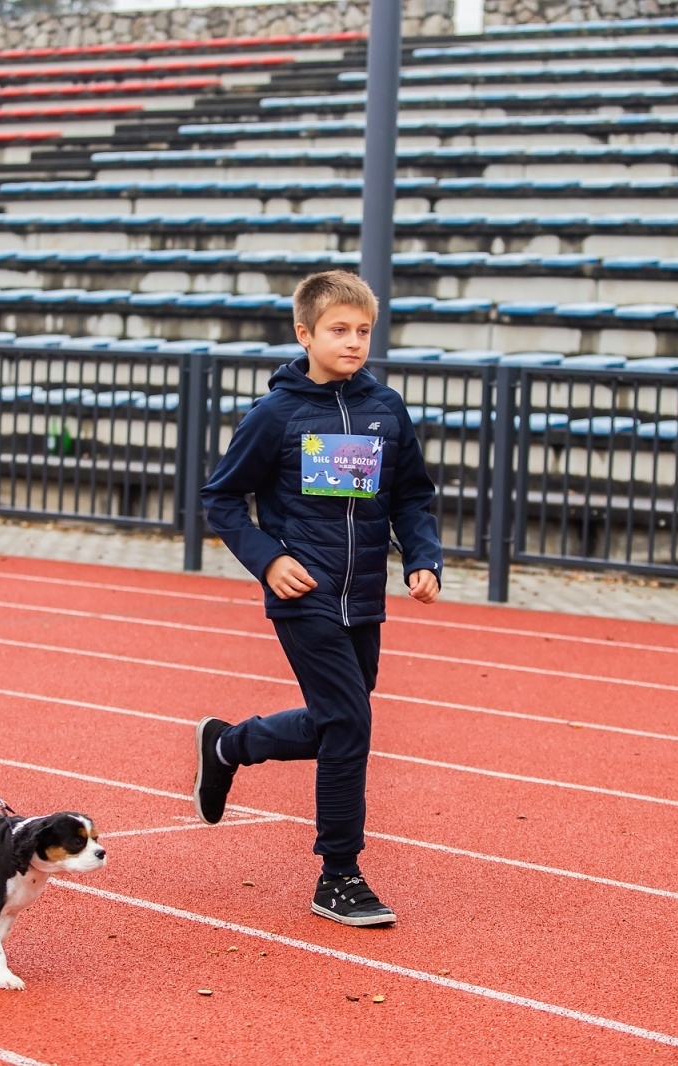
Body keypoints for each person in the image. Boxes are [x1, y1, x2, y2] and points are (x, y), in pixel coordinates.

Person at [193, 270, 442, 926]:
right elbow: (221, 497)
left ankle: (229, 746)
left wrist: (422, 558)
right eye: (339, 330)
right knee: (351, 724)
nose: (354, 341)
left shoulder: (386, 409)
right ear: (304, 333)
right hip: (304, 597)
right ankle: (339, 873)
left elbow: (413, 495)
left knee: (339, 720)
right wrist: (268, 559)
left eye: (363, 330)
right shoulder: (277, 414)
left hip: (363, 598)